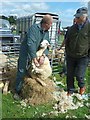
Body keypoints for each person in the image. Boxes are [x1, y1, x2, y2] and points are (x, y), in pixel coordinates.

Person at [14, 14, 53, 99]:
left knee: (31, 72)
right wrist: (34, 58)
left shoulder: (46, 32)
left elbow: (47, 44)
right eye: (51, 24)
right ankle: (17, 91)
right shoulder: (34, 29)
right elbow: (30, 44)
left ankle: (27, 92)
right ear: (46, 23)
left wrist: (43, 55)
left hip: (36, 53)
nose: (51, 26)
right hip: (26, 53)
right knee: (21, 71)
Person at [65, 7, 90, 96]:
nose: (76, 19)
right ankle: (70, 89)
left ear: (84, 17)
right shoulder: (71, 29)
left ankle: (82, 86)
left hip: (83, 56)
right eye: (76, 17)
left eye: (78, 17)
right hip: (71, 55)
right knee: (70, 74)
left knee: (79, 75)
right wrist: (67, 52)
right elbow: (66, 40)